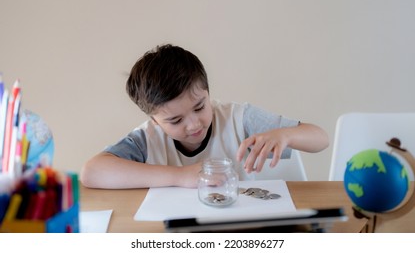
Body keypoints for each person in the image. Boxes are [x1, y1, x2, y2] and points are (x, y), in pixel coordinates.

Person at [80, 44, 329, 189]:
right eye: (175, 120)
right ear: (154, 120)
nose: (193, 124)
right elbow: (91, 172)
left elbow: (321, 139)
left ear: (208, 93)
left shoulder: (238, 118)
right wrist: (181, 177)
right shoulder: (147, 139)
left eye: (200, 107)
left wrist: (285, 135)